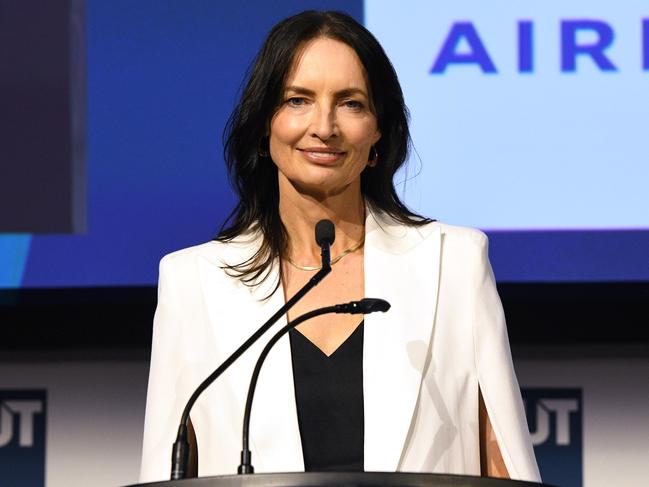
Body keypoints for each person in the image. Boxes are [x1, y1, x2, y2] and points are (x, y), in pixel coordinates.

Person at [139, 10, 541, 483]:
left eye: (350, 103)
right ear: (264, 125)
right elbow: (166, 468)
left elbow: (502, 458)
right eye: (298, 100)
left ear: (377, 135)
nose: (324, 126)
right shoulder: (194, 280)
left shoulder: (453, 262)